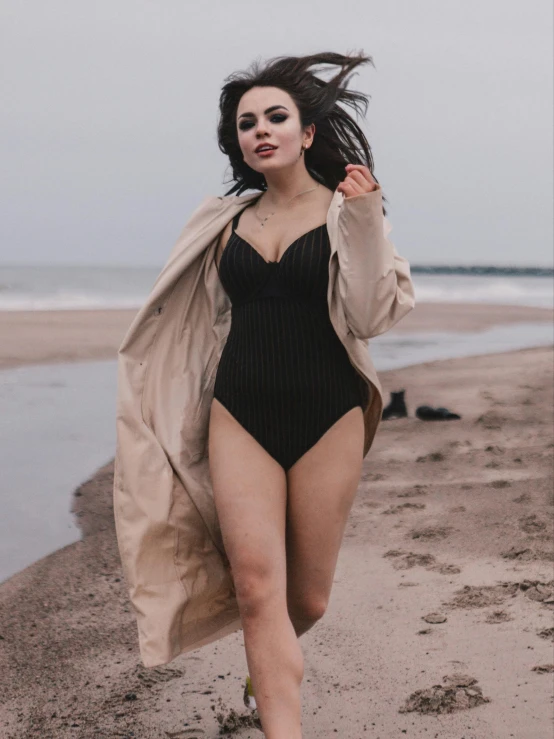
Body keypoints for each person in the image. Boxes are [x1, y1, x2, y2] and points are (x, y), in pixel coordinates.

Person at [113, 51, 415, 738]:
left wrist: (366, 218)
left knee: (305, 597)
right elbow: (182, 319)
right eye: (247, 123)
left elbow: (369, 315)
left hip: (327, 413)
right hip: (238, 411)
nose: (260, 130)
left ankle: (267, 675)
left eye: (275, 117)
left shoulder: (349, 211)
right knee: (256, 587)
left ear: (307, 132)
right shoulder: (220, 223)